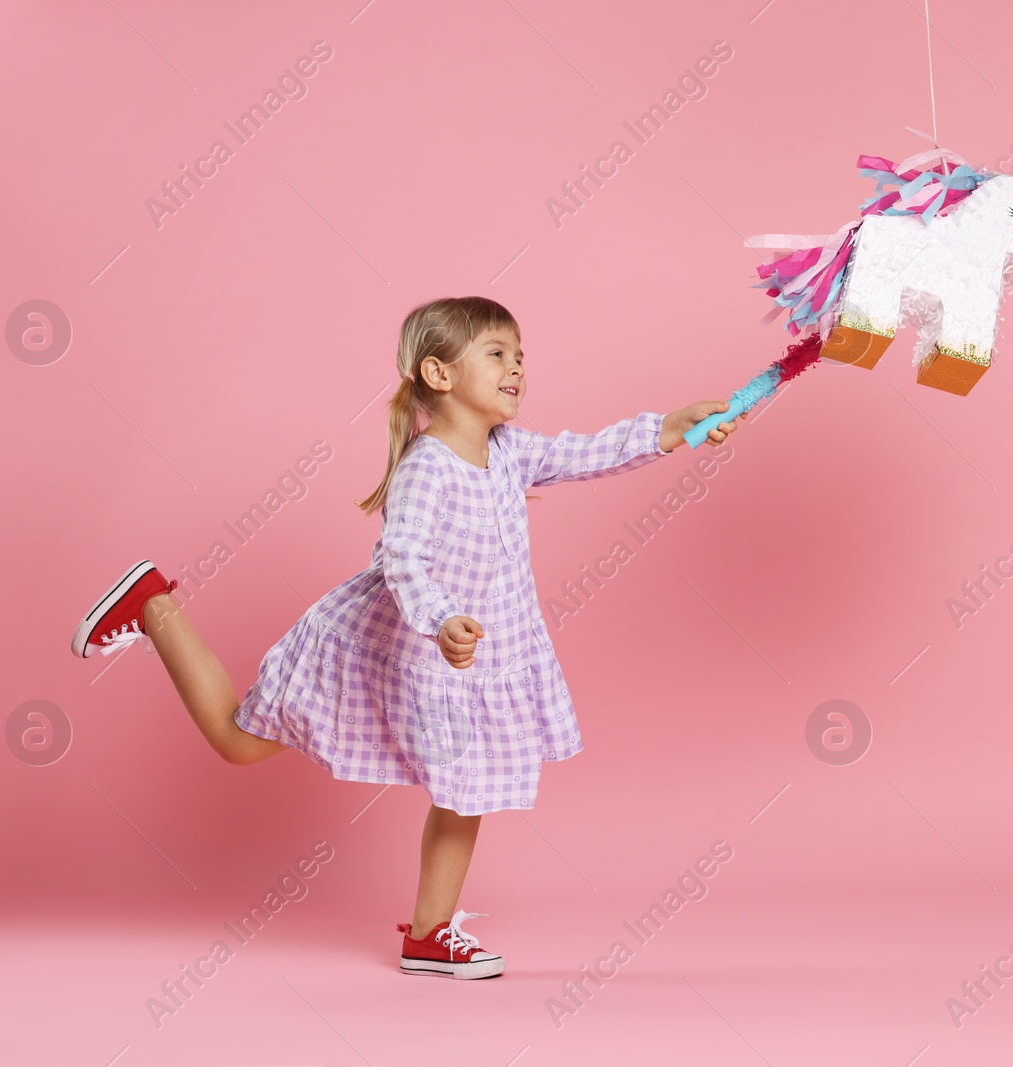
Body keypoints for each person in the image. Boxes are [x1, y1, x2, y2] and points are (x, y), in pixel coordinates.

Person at [70, 296, 740, 980]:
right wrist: (443, 618)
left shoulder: (509, 451)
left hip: (458, 658)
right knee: (238, 742)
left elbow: (585, 451)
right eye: (498, 353)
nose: (517, 367)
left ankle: (428, 934)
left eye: (521, 355)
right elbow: (403, 558)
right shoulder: (428, 467)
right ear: (439, 374)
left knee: (467, 787)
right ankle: (154, 606)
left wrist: (669, 428)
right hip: (378, 646)